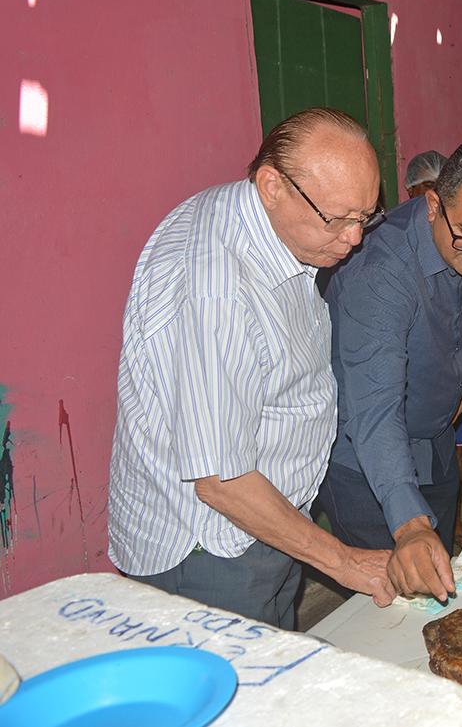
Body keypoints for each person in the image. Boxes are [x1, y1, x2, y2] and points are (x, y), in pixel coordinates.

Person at [107, 107, 395, 628]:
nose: (354, 238)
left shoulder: (259, 219)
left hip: (271, 524)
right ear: (271, 185)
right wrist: (343, 561)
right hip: (212, 550)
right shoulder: (215, 290)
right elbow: (223, 482)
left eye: (365, 216)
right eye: (338, 218)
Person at [321, 140, 462, 600]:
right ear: (433, 204)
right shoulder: (379, 270)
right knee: (387, 610)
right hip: (365, 462)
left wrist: (454, 387)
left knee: (441, 587)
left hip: (434, 442)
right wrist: (410, 524)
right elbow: (375, 411)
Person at [404, 149, 462, 554]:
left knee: (454, 446)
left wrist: (461, 385)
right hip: (411, 380)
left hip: (452, 372)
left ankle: (452, 519)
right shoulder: (398, 249)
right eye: (423, 192)